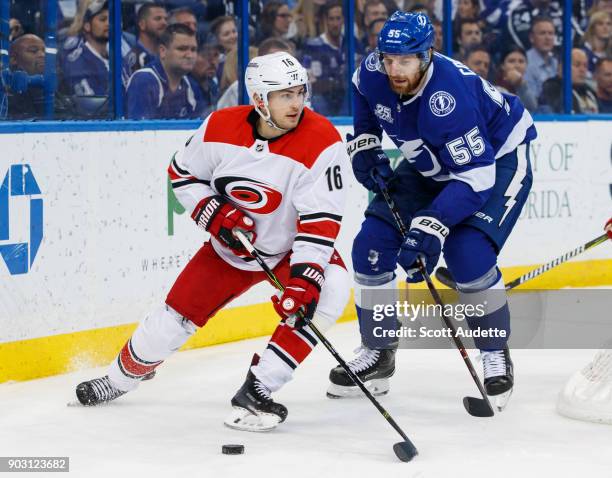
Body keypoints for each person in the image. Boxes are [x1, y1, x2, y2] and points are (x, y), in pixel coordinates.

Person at [75, 51, 350, 433]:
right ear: (259, 99)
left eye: (300, 92)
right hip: (229, 253)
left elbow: (319, 223)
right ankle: (120, 379)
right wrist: (214, 213)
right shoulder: (219, 127)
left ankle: (259, 388)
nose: (296, 103)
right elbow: (183, 174)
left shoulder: (322, 141)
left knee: (330, 289)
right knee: (169, 324)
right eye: (284, 95)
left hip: (288, 249)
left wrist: (304, 280)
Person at [327, 12, 536, 412]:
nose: (393, 69)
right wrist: (366, 144)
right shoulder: (374, 70)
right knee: (371, 247)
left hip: (498, 159)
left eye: (404, 60)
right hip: (431, 160)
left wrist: (431, 225)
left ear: (427, 56)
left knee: (467, 254)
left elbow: (475, 177)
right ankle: (378, 351)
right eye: (388, 59)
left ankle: (494, 352)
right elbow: (363, 94)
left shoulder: (448, 99)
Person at [126, 24, 204, 119]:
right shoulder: (143, 80)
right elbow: (138, 131)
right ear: (163, 51)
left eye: (193, 50)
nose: (189, 55)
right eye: (182, 49)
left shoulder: (192, 86)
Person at [60, 0, 110, 117]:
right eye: (103, 19)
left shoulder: (119, 58)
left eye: (111, 20)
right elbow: (91, 110)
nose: (109, 24)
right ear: (87, 26)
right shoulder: (78, 62)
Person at [302, 0, 348, 116]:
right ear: (325, 21)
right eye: (331, 19)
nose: (335, 23)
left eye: (338, 18)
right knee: (317, 100)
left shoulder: (352, 43)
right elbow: (307, 79)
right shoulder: (313, 46)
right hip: (322, 98)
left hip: (345, 97)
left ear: (343, 20)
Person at [538, 48, 599, 113]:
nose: (582, 70)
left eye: (585, 66)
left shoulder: (589, 91)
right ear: (561, 67)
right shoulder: (552, 89)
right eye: (577, 65)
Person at [524, 16, 558, 101]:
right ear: (532, 38)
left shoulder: (556, 62)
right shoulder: (525, 62)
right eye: (542, 33)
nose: (547, 38)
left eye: (551, 33)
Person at [494, 46, 538, 113]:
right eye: (511, 61)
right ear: (502, 65)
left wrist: (521, 85)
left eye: (521, 61)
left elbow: (533, 108)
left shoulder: (530, 85)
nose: (517, 65)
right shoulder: (494, 86)